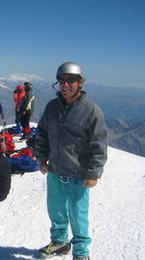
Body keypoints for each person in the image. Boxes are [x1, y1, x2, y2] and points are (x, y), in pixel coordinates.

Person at [36, 62, 108, 260]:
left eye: (70, 81)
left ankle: (81, 253)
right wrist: (42, 158)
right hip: (55, 171)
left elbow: (99, 144)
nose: (65, 85)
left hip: (78, 175)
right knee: (56, 211)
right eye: (61, 81)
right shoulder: (52, 107)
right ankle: (59, 243)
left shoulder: (91, 111)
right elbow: (42, 133)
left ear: (80, 82)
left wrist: (94, 173)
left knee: (78, 217)